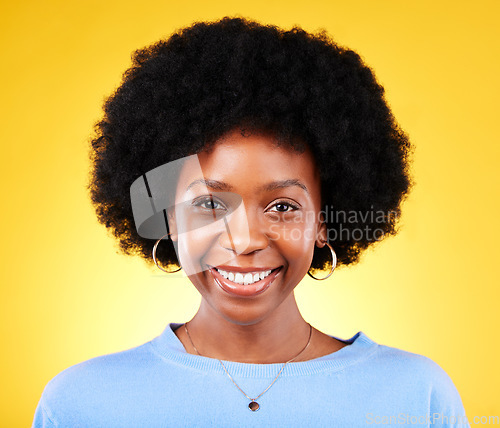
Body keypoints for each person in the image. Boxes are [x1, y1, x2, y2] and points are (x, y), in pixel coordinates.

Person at [32, 16, 469, 427]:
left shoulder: (417, 396)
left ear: (323, 221)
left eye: (282, 207)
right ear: (167, 218)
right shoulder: (81, 404)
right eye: (208, 204)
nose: (244, 240)